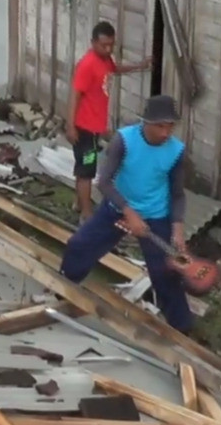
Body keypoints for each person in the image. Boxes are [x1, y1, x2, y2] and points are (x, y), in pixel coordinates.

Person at [59, 95, 193, 334]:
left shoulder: (176, 151)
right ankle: (63, 290)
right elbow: (104, 182)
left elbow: (178, 194)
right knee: (79, 246)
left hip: (156, 216)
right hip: (117, 208)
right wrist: (129, 212)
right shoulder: (124, 140)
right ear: (145, 122)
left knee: (166, 276)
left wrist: (177, 228)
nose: (165, 133)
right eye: (160, 126)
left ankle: (182, 333)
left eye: (170, 126)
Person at [66, 21, 152, 221]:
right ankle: (87, 213)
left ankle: (79, 202)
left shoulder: (105, 60)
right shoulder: (87, 64)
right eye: (103, 45)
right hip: (84, 128)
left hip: (94, 127)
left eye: (111, 45)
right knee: (87, 170)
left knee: (84, 166)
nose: (108, 49)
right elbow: (75, 94)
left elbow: (115, 69)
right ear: (93, 42)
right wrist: (70, 125)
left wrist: (140, 66)